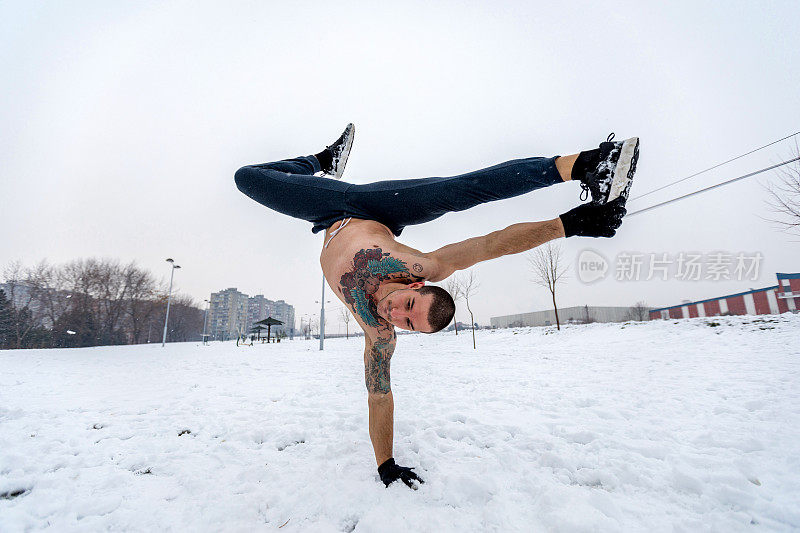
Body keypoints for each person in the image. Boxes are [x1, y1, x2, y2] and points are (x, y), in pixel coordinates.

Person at [234, 124, 639, 489]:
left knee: (245, 179)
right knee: (456, 191)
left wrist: (386, 464)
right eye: (409, 303)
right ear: (416, 284)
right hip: (373, 206)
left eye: (406, 322)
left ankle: (323, 165)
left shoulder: (379, 336)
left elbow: (379, 396)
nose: (395, 314)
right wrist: (569, 224)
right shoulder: (417, 265)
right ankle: (587, 164)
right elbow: (486, 246)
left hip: (327, 214)